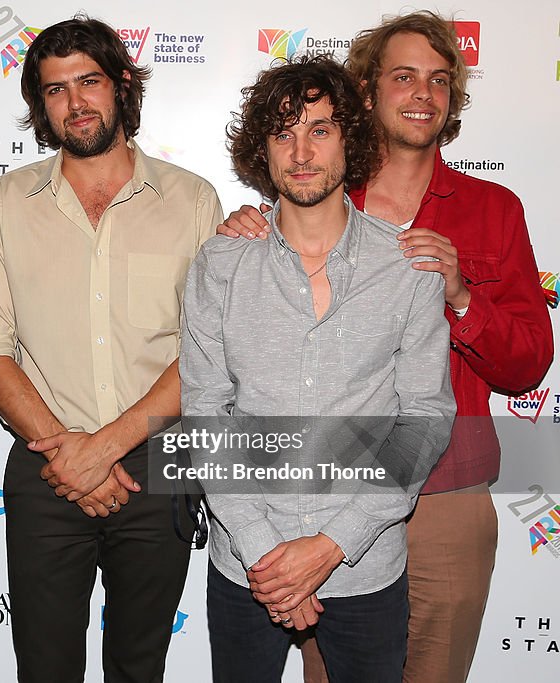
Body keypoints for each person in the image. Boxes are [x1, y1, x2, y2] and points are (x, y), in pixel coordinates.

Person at [219, 12, 552, 682]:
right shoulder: (312, 193)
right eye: (403, 77)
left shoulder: (495, 210)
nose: (423, 93)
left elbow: (528, 365)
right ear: (366, 92)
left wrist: (461, 296)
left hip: (445, 497)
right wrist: (243, 234)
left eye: (438, 80)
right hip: (322, 492)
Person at [0, 16, 223, 683]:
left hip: (157, 462)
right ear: (39, 105)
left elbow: (204, 352)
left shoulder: (193, 200)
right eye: (55, 90)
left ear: (122, 86)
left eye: (89, 81)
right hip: (45, 466)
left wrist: (102, 448)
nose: (75, 102)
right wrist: (70, 452)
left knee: (138, 667)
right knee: (44, 669)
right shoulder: (8, 201)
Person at [183, 54, 455, 683]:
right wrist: (268, 556)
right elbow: (205, 412)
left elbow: (423, 418)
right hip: (246, 566)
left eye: (320, 129)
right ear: (263, 150)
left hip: (364, 567)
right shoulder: (221, 265)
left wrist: (331, 545)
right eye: (284, 133)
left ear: (350, 140)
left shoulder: (406, 269)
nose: (301, 151)